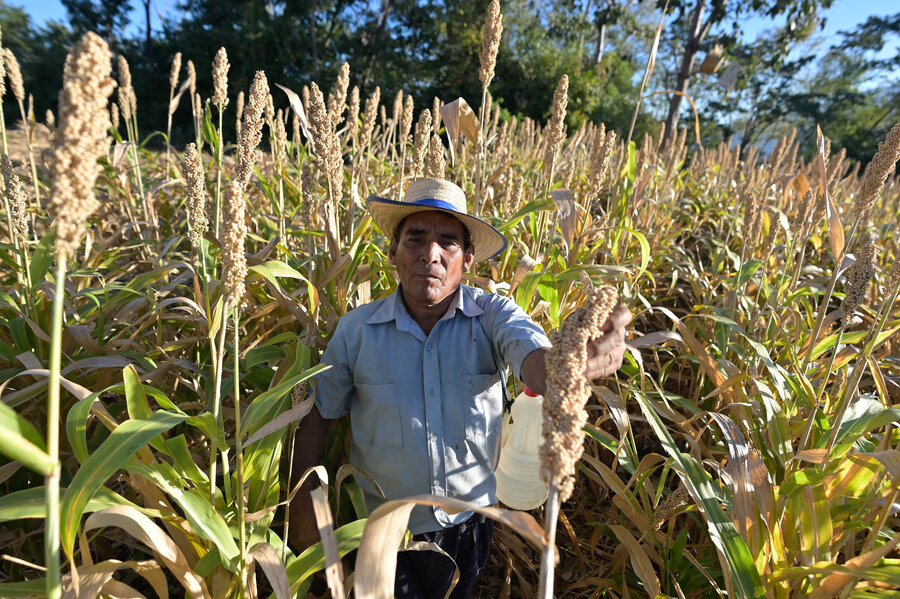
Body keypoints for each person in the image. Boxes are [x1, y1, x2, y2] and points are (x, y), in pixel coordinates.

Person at [289, 178, 631, 598]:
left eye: (447, 242)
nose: (430, 255)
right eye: (415, 238)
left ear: (467, 258)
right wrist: (310, 533)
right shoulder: (356, 332)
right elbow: (317, 421)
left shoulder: (493, 316)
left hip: (469, 529)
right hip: (384, 535)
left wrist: (571, 362)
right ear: (392, 250)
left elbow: (536, 362)